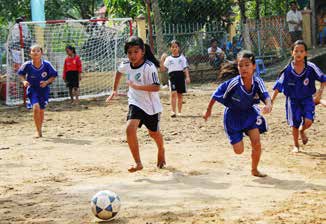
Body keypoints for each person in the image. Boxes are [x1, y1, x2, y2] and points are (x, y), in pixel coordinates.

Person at [203, 50, 272, 177]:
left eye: (247, 65)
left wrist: (268, 104)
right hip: (233, 117)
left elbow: (265, 95)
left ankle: (254, 169)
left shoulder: (257, 81)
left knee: (256, 142)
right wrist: (208, 110)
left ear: (254, 66)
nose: (244, 68)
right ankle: (239, 135)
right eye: (240, 65)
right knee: (239, 151)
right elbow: (215, 95)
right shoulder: (234, 83)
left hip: (249, 114)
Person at [106, 36, 165, 172]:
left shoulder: (149, 67)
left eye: (135, 52)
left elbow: (156, 87)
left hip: (151, 106)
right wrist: (114, 90)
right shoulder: (126, 64)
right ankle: (138, 163)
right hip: (135, 102)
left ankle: (161, 149)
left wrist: (137, 87)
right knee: (129, 128)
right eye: (129, 52)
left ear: (143, 51)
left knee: (153, 133)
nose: (132, 55)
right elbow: (119, 72)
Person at [271, 40, 326, 153]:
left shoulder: (311, 67)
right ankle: (296, 145)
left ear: (306, 53)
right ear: (292, 53)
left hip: (307, 99)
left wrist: (320, 92)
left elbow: (323, 79)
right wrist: (271, 101)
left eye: (301, 51)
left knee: (308, 121)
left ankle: (302, 130)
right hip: (292, 100)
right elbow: (278, 86)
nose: (299, 53)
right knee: (294, 123)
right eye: (296, 51)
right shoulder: (287, 70)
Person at [18, 44, 58, 138]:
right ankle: (38, 131)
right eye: (33, 51)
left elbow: (53, 75)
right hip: (32, 89)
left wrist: (47, 82)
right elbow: (20, 74)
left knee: (41, 110)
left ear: (41, 53)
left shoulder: (47, 64)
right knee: (36, 108)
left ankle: (40, 128)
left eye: (38, 51)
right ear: (30, 54)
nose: (35, 52)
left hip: (44, 90)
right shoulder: (27, 65)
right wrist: (24, 81)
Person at [160, 40, 190, 117]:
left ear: (178, 48)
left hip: (180, 77)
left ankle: (179, 112)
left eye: (176, 47)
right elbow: (163, 69)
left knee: (180, 95)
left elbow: (185, 68)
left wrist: (187, 77)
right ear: (170, 48)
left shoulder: (182, 58)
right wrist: (162, 60)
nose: (174, 48)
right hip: (172, 77)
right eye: (172, 47)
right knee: (173, 93)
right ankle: (173, 111)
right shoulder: (168, 59)